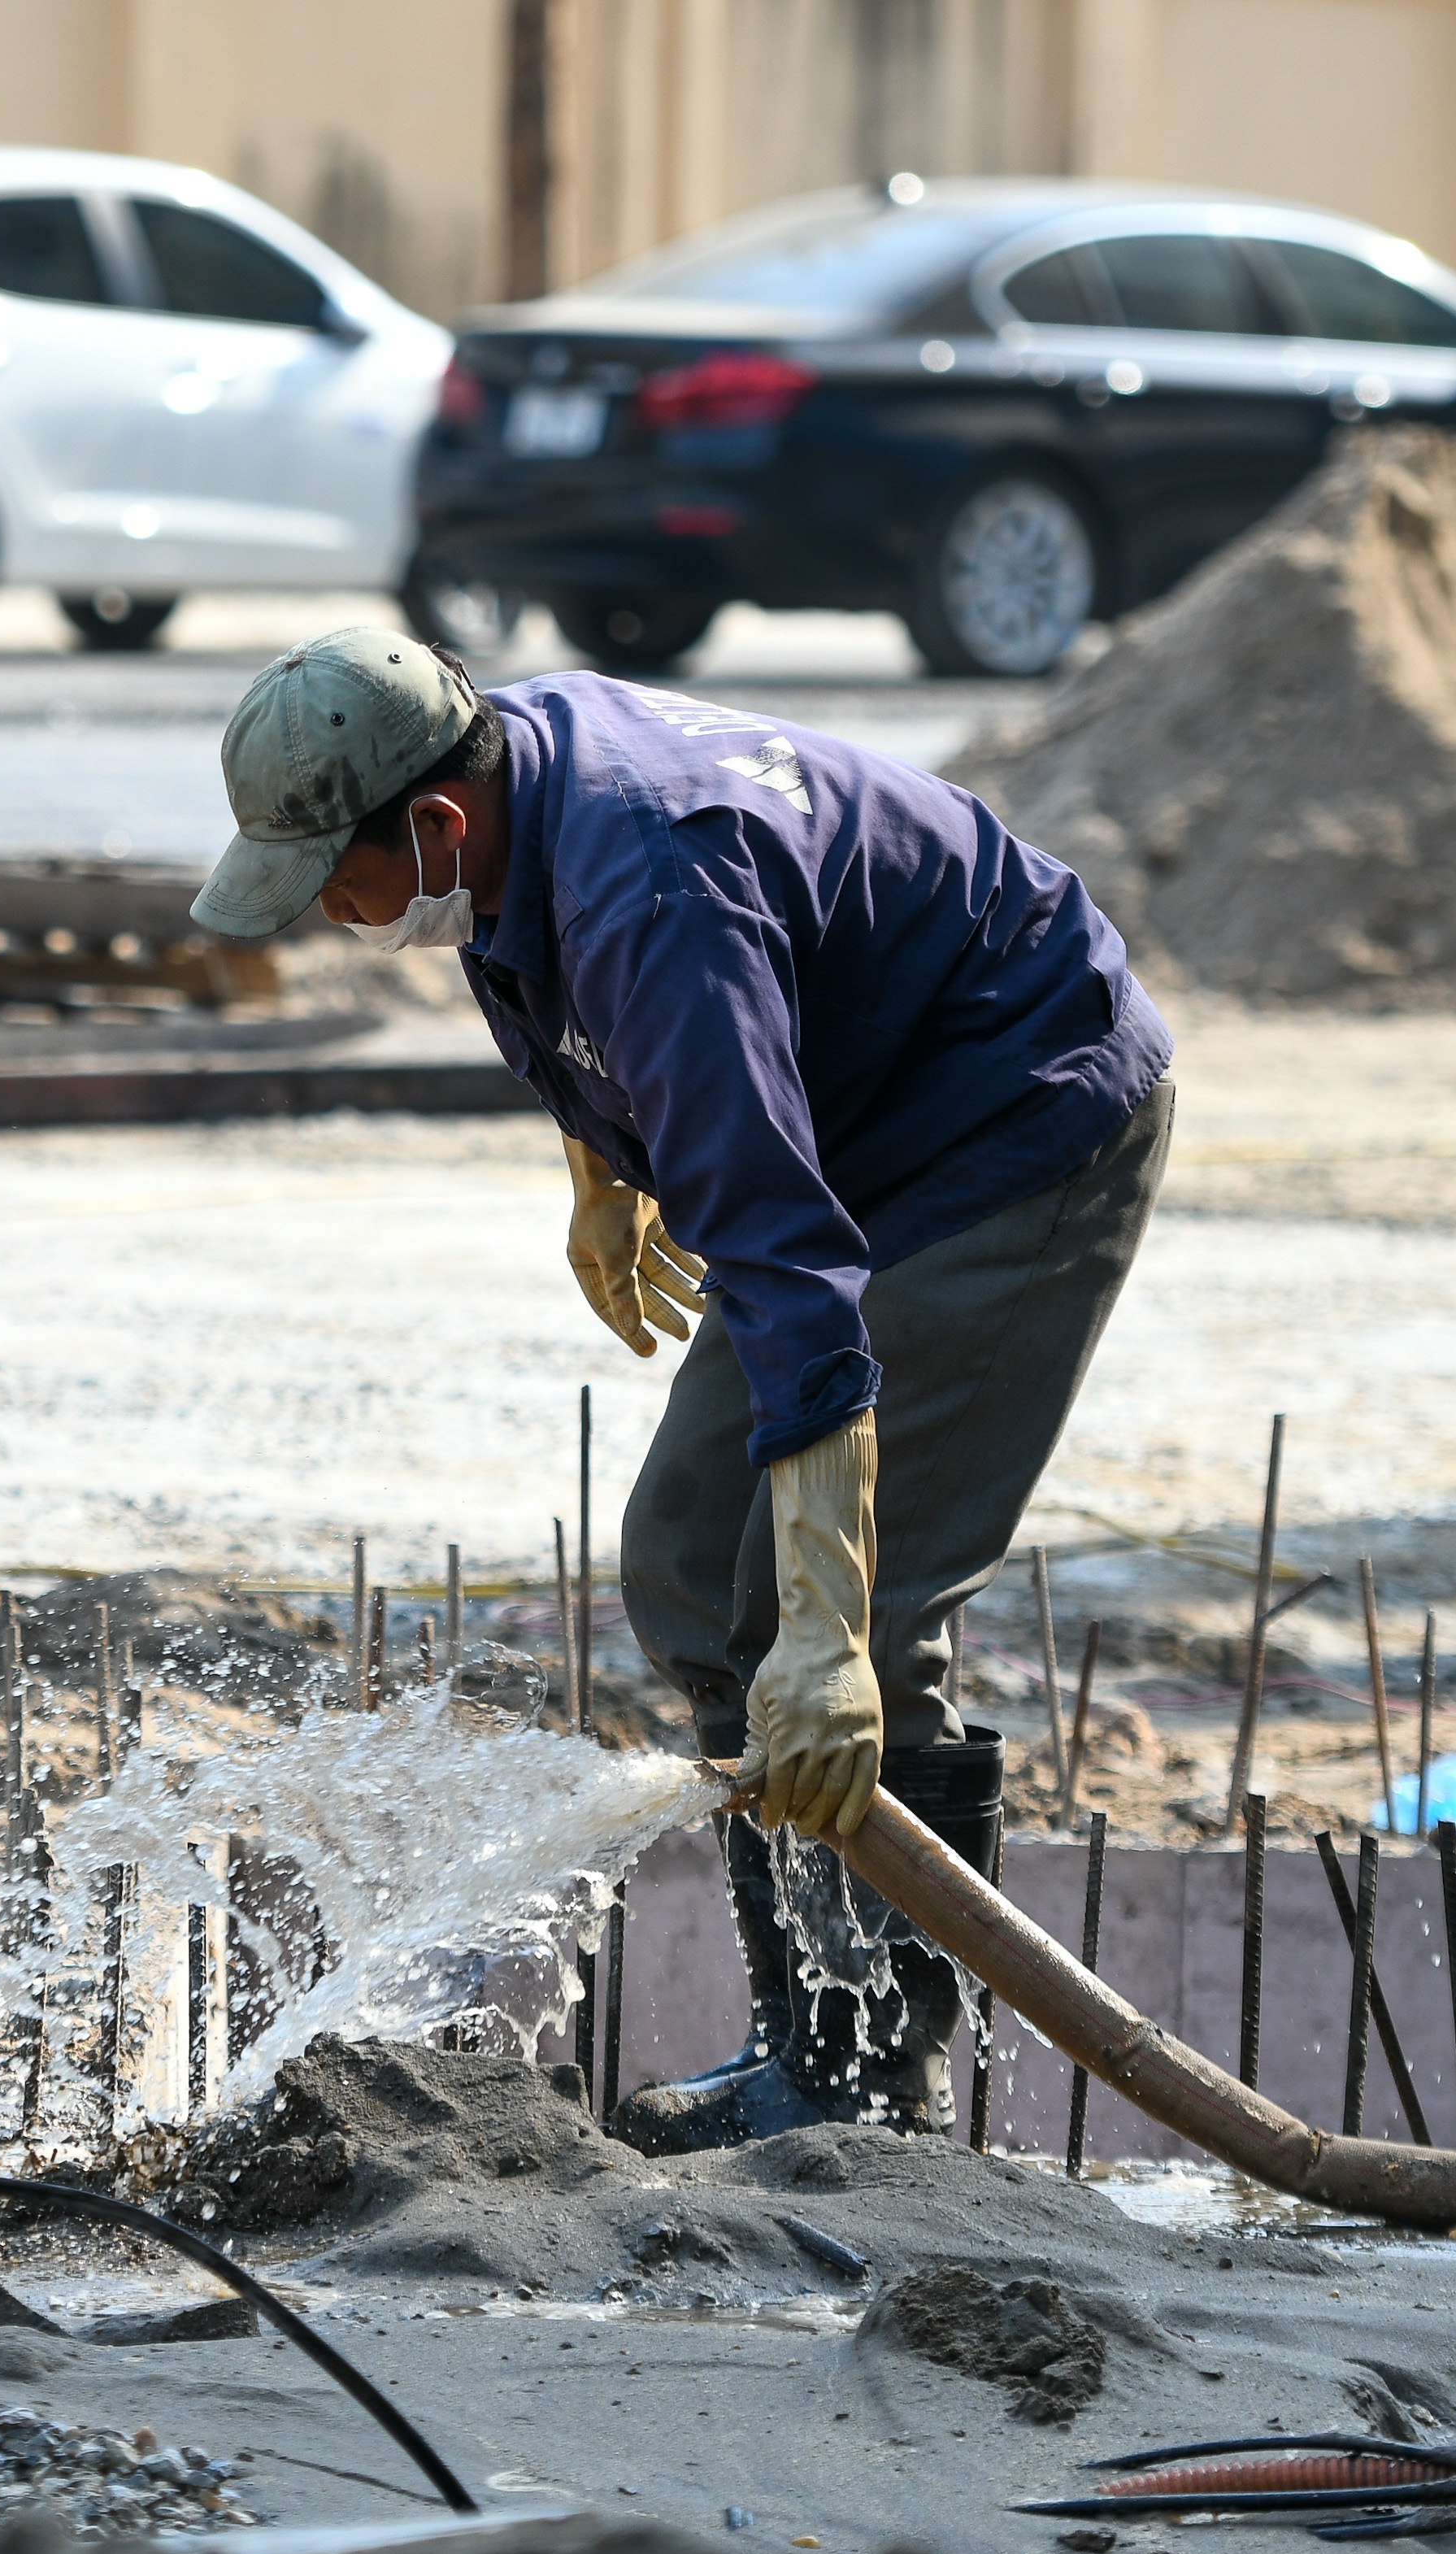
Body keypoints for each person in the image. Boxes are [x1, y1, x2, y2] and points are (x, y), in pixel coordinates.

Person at [192, 629, 1171, 2147]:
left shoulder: (656, 893)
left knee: (834, 1615)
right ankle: (808, 2032)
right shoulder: (498, 779)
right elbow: (542, 973)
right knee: (685, 1564)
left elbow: (787, 1275)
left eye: (336, 876)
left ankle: (867, 2082)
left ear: (436, 824)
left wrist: (831, 1641)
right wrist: (603, 1166)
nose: (329, 912)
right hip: (855, 1102)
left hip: (1010, 1112)